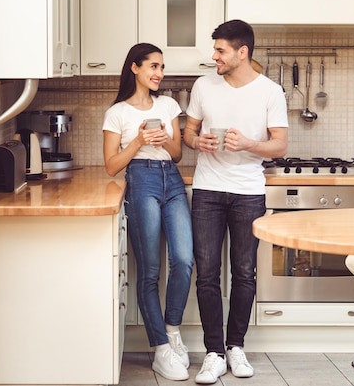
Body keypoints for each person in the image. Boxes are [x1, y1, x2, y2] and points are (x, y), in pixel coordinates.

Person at [183, 20, 289, 384]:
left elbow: (280, 145)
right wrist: (197, 143)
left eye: (221, 50)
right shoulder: (204, 85)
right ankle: (213, 352)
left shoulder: (270, 92)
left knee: (244, 274)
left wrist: (248, 144)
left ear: (242, 52)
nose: (214, 57)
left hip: (248, 191)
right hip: (208, 190)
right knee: (208, 275)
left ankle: (236, 346)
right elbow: (188, 132)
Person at [102, 43, 194, 381]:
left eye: (161, 67)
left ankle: (171, 332)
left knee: (184, 260)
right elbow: (111, 165)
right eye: (153, 66)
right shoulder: (118, 113)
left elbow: (178, 154)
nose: (159, 73)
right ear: (135, 68)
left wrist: (164, 139)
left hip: (171, 180)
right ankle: (160, 350)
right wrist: (139, 141)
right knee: (151, 269)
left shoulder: (168, 104)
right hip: (140, 181)